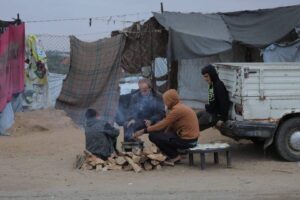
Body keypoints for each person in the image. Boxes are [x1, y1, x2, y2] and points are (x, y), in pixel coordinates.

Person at [133, 89, 199, 164]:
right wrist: (163, 135)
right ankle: (177, 152)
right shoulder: (180, 106)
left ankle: (175, 156)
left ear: (171, 100)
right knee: (160, 133)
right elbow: (169, 125)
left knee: (153, 136)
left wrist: (143, 131)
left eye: (166, 101)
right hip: (191, 140)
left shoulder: (177, 110)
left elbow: (162, 124)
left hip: (188, 141)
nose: (165, 104)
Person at [197, 64, 230, 131]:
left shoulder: (219, 86)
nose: (205, 79)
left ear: (212, 75)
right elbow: (212, 103)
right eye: (204, 77)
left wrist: (222, 119)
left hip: (217, 115)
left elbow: (224, 103)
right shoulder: (212, 85)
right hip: (211, 112)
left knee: (195, 126)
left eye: (206, 76)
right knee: (193, 117)